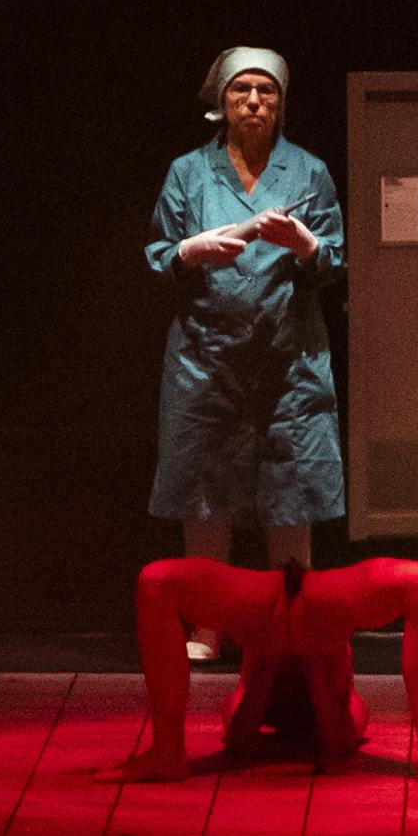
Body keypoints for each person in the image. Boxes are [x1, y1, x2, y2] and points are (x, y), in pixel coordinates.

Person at [147, 48, 344, 658]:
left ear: (282, 103)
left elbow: (335, 260)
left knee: (292, 489)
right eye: (242, 92)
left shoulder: (308, 173)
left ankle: (290, 623)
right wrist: (190, 251)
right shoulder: (188, 173)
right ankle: (208, 623)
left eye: (266, 92)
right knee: (205, 490)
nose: (254, 101)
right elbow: (158, 253)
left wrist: (310, 247)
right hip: (207, 358)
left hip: (288, 360)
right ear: (221, 103)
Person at [97, 557, 418, 785]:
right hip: (307, 604)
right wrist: (309, 659)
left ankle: (167, 750)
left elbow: (239, 737)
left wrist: (280, 657)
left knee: (156, 581)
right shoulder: (346, 700)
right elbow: (340, 740)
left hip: (273, 607)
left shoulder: (266, 691)